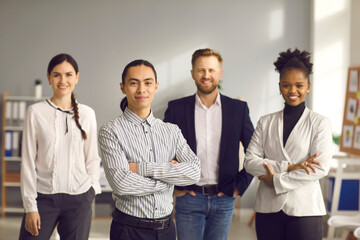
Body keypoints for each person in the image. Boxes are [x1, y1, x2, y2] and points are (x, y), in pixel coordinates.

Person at [98, 59, 200, 240]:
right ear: (123, 87)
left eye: (147, 83)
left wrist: (142, 168)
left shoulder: (171, 131)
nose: (141, 90)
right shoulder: (110, 131)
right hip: (128, 230)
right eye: (133, 83)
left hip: (167, 229)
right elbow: (122, 183)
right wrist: (168, 180)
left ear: (156, 86)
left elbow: (194, 171)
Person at [164, 48, 254, 240]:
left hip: (224, 199)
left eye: (211, 70)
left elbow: (254, 151)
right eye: (201, 70)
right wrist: (175, 186)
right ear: (192, 73)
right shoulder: (176, 109)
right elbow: (162, 152)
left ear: (220, 73)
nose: (206, 75)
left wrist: (240, 185)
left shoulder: (238, 109)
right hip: (188, 197)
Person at [244, 48, 333, 240]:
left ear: (308, 86)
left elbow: (319, 168)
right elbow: (249, 162)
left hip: (305, 211)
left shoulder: (320, 123)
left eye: (299, 85)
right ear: (279, 86)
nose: (293, 91)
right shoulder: (265, 122)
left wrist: (275, 180)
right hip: (268, 210)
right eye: (286, 85)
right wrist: (289, 167)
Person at [19, 53, 101, 239]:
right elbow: (28, 162)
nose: (63, 80)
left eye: (69, 74)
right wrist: (30, 206)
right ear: (49, 78)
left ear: (77, 78)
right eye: (56, 75)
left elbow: (92, 157)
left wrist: (92, 190)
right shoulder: (35, 112)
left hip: (79, 199)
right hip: (43, 199)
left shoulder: (88, 114)